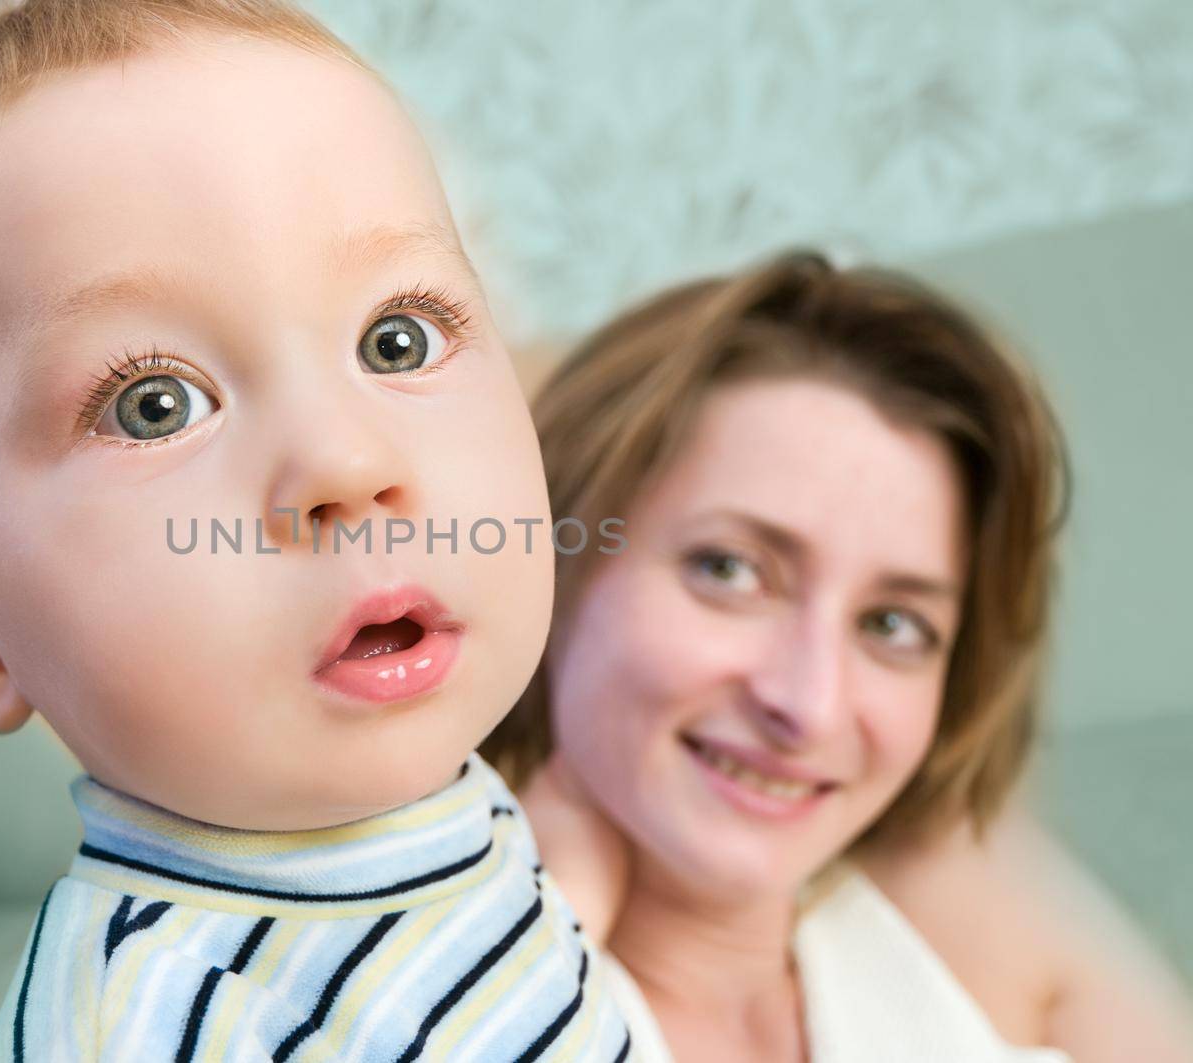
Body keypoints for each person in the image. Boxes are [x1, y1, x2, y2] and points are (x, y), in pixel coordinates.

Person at [0, 0, 634, 1058]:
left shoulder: (440, 812)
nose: (348, 465)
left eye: (396, 341)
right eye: (153, 403)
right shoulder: (154, 1018)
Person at [483, 251, 1193, 1061]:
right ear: (553, 562)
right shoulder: (386, 979)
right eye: (730, 570)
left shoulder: (983, 940)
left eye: (894, 625)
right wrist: (541, 931)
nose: (808, 702)